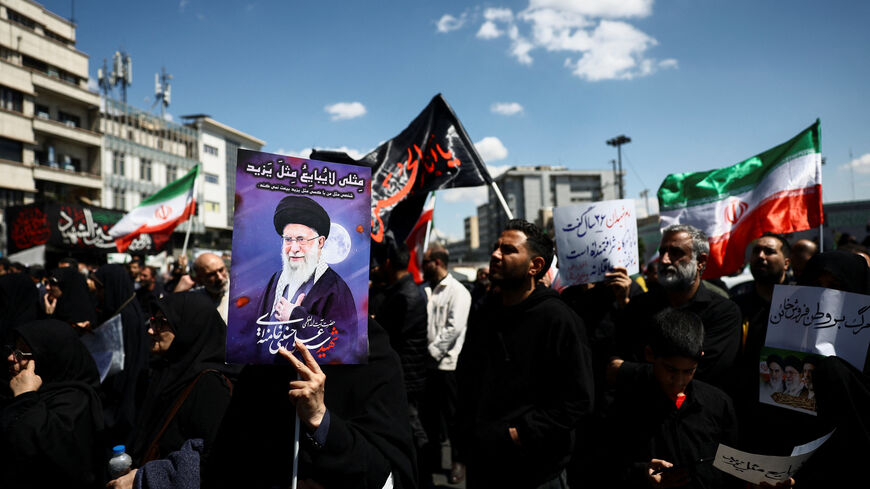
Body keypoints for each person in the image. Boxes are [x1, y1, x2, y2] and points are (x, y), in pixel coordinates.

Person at [455, 219, 594, 488]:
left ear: (536, 266)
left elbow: (578, 399)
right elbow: (468, 377)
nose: (495, 255)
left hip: (536, 473)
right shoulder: (485, 313)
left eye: (508, 250)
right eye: (496, 247)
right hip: (484, 466)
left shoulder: (559, 319)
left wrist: (520, 433)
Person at [200, 318, 416, 489]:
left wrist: (321, 420)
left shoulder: (372, 353)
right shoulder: (262, 361)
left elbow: (388, 473)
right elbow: (230, 463)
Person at [603, 309, 740, 489]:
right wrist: (642, 472)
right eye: (671, 370)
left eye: (688, 371)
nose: (679, 381)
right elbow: (605, 464)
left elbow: (734, 467)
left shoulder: (717, 403)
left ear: (700, 359)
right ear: (650, 354)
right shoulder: (627, 404)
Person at [611, 224, 741, 394]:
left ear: (700, 261)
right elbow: (614, 363)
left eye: (676, 253)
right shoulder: (640, 306)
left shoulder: (723, 313)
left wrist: (629, 371)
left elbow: (704, 374)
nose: (664, 260)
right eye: (662, 252)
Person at [126, 292, 234, 471]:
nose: (151, 330)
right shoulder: (168, 370)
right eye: (152, 321)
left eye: (161, 323)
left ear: (189, 326)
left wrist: (149, 477)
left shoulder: (211, 385)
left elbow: (209, 460)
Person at [0, 319, 105, 488]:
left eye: (23, 353)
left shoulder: (76, 403)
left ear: (49, 358)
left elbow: (52, 457)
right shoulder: (14, 387)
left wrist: (25, 399)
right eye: (14, 349)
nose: (11, 358)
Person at [255, 195, 357, 363]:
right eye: (288, 239)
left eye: (301, 240)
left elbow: (342, 345)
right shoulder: (276, 280)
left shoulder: (336, 288)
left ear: (320, 242)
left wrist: (296, 316)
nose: (294, 248)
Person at [372, 240, 429, 483]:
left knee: (413, 430)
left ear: (387, 263)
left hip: (406, 376)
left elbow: (386, 335)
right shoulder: (402, 290)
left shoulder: (404, 296)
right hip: (408, 373)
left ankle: (421, 477)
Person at [420, 243, 471, 482]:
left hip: (447, 366)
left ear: (437, 263)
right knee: (430, 418)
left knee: (453, 418)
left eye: (426, 261)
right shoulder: (427, 290)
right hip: (428, 367)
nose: (423, 266)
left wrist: (432, 352)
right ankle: (434, 463)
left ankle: (458, 461)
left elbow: (453, 329)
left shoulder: (458, 292)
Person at [92, 264, 150, 446]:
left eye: (101, 288)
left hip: (122, 396)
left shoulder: (126, 317)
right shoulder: (123, 309)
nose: (98, 294)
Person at [46, 266, 98, 330]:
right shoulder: (57, 307)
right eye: (46, 283)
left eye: (52, 283)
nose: (47, 287)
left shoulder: (82, 319)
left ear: (65, 285)